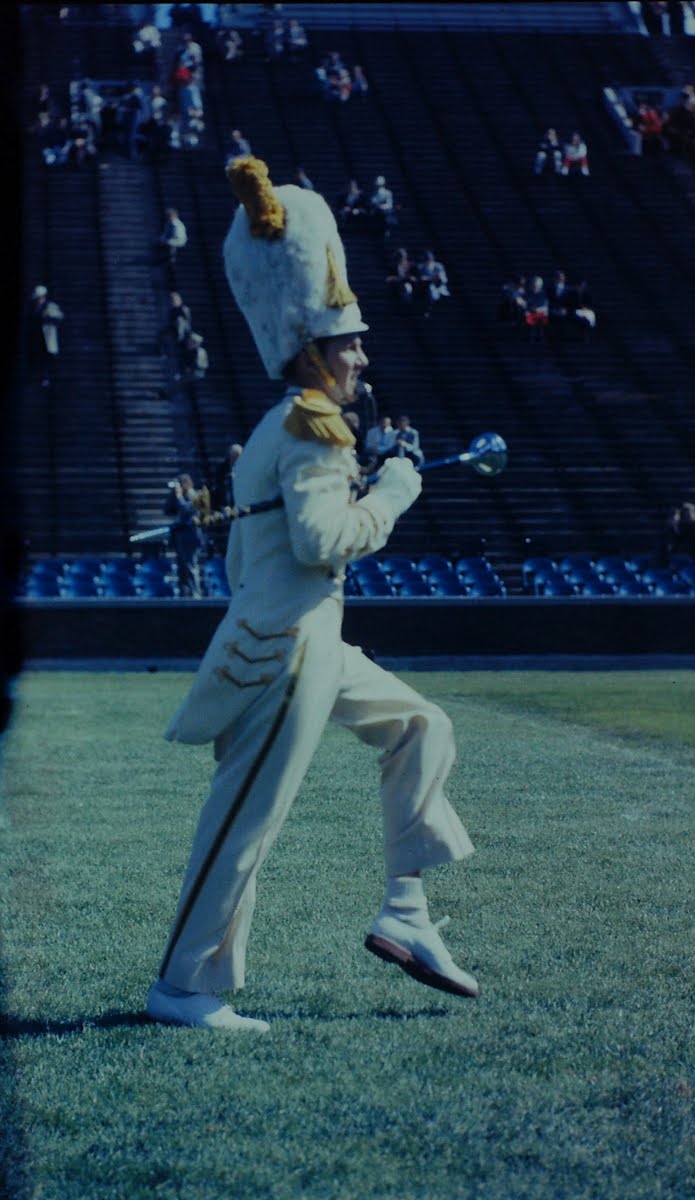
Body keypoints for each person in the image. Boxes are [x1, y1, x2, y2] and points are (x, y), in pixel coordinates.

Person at [145, 156, 477, 1032]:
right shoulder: (313, 427)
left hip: (303, 638)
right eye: (350, 342)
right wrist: (393, 493)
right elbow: (323, 541)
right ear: (314, 349)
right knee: (245, 824)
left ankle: (404, 911)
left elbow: (254, 553)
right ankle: (182, 988)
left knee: (420, 726)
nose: (362, 356)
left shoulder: (284, 427)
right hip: (288, 652)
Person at [164, 473, 208, 596]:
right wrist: (173, 495)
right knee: (181, 569)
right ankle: (184, 594)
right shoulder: (178, 497)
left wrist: (179, 498)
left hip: (191, 537)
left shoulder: (194, 496)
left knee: (190, 567)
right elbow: (167, 510)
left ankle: (195, 594)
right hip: (180, 538)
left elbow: (187, 511)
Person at [29, 285, 64, 380]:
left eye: (39, 297)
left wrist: (47, 318)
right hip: (37, 337)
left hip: (48, 335)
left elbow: (59, 318)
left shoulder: (50, 306)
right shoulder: (35, 308)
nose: (37, 300)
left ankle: (50, 378)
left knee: (49, 357)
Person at [416, 249, 450, 313]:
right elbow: (421, 279)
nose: (428, 261)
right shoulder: (421, 267)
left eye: (429, 259)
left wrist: (434, 279)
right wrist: (431, 279)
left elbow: (443, 279)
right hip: (426, 289)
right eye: (426, 259)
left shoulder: (438, 266)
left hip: (439, 287)